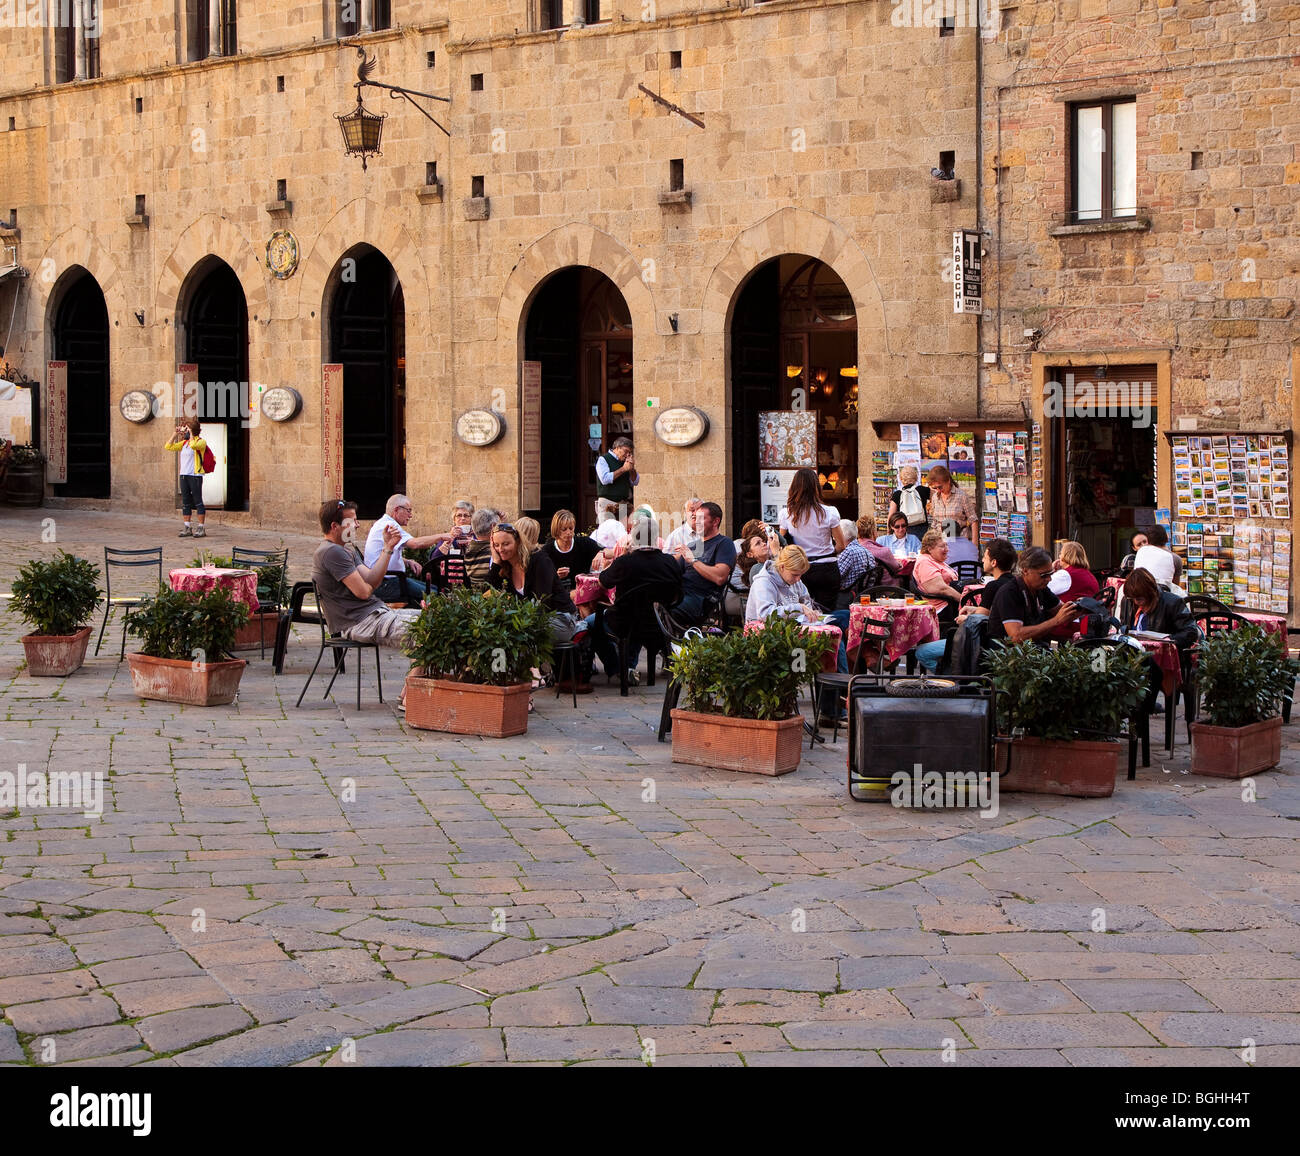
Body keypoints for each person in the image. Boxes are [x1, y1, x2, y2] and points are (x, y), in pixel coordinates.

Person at [587, 513, 684, 685]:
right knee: (637, 612)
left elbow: (603, 581)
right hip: (657, 623)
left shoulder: (625, 562)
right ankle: (628, 667)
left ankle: (617, 668)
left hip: (625, 622)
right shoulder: (670, 562)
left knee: (591, 623)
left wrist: (623, 554)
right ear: (655, 538)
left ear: (634, 538)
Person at [312, 499, 420, 650]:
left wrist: (388, 548)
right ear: (334, 526)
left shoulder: (347, 549)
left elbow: (371, 579)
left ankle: (418, 674)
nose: (357, 525)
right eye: (352, 521)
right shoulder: (331, 552)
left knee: (432, 619)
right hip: (360, 622)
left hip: (376, 613)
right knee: (427, 631)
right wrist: (368, 586)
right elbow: (364, 592)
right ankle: (417, 674)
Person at [915, 538, 1017, 671]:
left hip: (984, 644)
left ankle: (952, 681)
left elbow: (978, 622)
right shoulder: (1014, 583)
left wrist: (965, 618)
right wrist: (974, 609)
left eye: (985, 557)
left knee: (921, 652)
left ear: (994, 562)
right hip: (999, 644)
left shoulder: (993, 586)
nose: (982, 561)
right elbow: (995, 613)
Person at [486, 522, 581, 643]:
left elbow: (542, 601)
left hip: (560, 618)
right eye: (496, 545)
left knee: (514, 634)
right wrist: (495, 562)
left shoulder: (539, 559)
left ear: (518, 542)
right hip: (529, 620)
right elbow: (485, 591)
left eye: (506, 544)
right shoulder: (505, 566)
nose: (500, 549)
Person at [779, 466, 846, 611]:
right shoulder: (829, 512)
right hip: (826, 568)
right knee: (828, 613)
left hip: (800, 569)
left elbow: (782, 542)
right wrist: (829, 550)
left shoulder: (786, 514)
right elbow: (841, 545)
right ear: (816, 488)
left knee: (800, 612)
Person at [987, 546, 1081, 646]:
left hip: (1034, 648)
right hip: (1008, 655)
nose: (1049, 579)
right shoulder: (1009, 592)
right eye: (1044, 575)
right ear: (1025, 571)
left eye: (1051, 574)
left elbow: (1061, 611)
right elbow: (1015, 637)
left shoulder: (1041, 588)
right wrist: (1056, 621)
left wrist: (1080, 607)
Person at [363, 494, 447, 604]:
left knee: (436, 590)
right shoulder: (390, 525)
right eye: (409, 510)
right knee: (438, 595)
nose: (411, 515)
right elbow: (416, 544)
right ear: (397, 510)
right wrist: (442, 536)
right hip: (387, 583)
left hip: (390, 581)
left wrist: (407, 561)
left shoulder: (381, 523)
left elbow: (382, 554)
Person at [672, 500, 738, 624]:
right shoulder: (693, 546)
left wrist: (693, 560)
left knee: (668, 611)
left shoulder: (724, 543)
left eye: (701, 519)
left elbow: (720, 577)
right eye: (695, 518)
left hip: (701, 599)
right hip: (679, 592)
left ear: (715, 521)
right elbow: (673, 570)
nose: (696, 522)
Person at [1120, 568, 1199, 652]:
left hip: (1163, 656)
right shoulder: (1127, 601)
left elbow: (1190, 632)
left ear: (1150, 593)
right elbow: (1123, 626)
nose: (1135, 602)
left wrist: (1169, 640)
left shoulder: (1172, 603)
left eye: (1139, 598)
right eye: (1132, 598)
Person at [1045, 540, 1100, 641]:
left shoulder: (1065, 575)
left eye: (1061, 553)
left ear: (1066, 555)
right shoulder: (1090, 575)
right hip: (1085, 626)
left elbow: (1042, 588)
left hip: (1066, 628)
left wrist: (1051, 570)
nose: (1059, 556)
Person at [165, 418, 209, 538]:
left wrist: (191, 435)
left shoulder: (201, 442)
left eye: (188, 429)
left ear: (193, 430)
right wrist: (175, 433)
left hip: (195, 475)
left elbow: (194, 445)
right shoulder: (184, 444)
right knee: (186, 502)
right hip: (184, 475)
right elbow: (168, 446)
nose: (186, 432)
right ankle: (187, 527)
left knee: (198, 501)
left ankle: (201, 528)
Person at [726, 519, 779, 619]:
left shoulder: (761, 560)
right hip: (740, 597)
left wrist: (772, 532)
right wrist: (776, 552)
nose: (765, 544)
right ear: (749, 554)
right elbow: (780, 577)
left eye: (763, 541)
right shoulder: (756, 569)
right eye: (759, 543)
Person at [541, 509, 602, 597]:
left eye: (571, 528)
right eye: (564, 529)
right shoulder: (547, 551)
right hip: (559, 594)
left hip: (584, 590)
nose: (568, 532)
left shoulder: (584, 543)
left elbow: (609, 551)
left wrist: (601, 553)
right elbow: (543, 581)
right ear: (556, 530)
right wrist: (556, 576)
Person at [913, 530, 965, 617]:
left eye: (946, 545)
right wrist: (964, 600)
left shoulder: (937, 560)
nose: (947, 549)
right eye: (942, 546)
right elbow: (942, 589)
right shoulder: (924, 562)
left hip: (951, 602)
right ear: (930, 549)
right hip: (942, 607)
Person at [834, 519, 881, 608]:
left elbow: (836, 577)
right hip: (864, 595)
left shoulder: (849, 552)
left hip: (848, 597)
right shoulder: (866, 552)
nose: (833, 537)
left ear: (842, 535)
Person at [925, 464, 978, 542]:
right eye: (934, 488)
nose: (938, 490)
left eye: (940, 487)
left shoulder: (961, 496)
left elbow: (973, 520)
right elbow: (935, 522)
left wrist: (974, 545)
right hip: (941, 542)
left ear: (948, 481)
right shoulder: (935, 497)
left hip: (959, 540)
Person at [594, 436, 638, 525]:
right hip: (607, 503)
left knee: (622, 533)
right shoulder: (604, 459)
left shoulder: (625, 462)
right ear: (617, 448)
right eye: (626, 451)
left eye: (630, 452)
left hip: (622, 504)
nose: (627, 455)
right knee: (607, 532)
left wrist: (632, 469)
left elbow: (635, 482)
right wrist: (623, 469)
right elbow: (605, 479)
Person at [855, 515, 905, 586]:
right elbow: (896, 568)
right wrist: (899, 564)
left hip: (860, 590)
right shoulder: (884, 551)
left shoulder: (853, 550)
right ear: (873, 532)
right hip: (886, 589)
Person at [1133, 524, 1183, 590]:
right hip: (1162, 595)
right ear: (1167, 538)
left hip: (1138, 591)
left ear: (1148, 541)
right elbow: (1175, 586)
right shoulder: (1175, 558)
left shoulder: (1141, 551)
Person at [888, 465, 931, 540]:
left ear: (901, 479)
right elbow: (936, 496)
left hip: (904, 529)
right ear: (916, 478)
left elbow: (891, 515)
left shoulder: (897, 494)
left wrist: (889, 532)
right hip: (922, 528)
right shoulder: (922, 490)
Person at [462, 508, 498, 591]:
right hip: (491, 597)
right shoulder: (494, 551)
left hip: (476, 596)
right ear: (493, 527)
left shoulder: (470, 549)